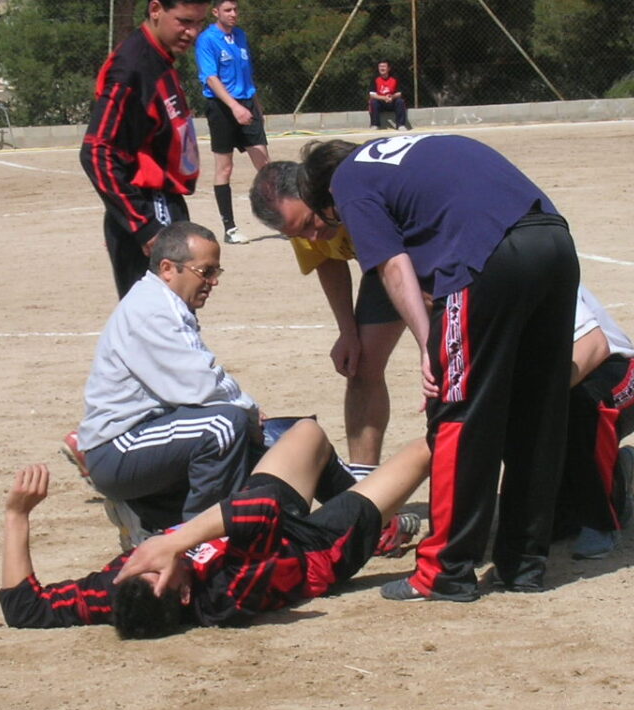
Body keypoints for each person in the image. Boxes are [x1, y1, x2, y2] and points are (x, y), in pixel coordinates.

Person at [298, 135, 580, 602]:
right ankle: (525, 564)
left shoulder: (348, 179)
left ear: (328, 194)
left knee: (457, 412)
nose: (331, 226)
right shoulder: (411, 149)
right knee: (538, 411)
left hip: (489, 257)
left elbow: (391, 266)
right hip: (555, 243)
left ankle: (444, 569)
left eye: (326, 218)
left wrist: (430, 343)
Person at [0, 418, 430, 638]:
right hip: (313, 550)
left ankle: (384, 523)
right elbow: (260, 508)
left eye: (137, 563)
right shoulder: (223, 596)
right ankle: (378, 529)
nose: (146, 554)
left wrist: (17, 515)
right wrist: (180, 540)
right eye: (157, 565)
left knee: (307, 432)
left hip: (251, 524)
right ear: (184, 592)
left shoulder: (121, 589)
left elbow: (24, 608)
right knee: (426, 450)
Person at [62, 221, 262, 551]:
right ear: (168, 268)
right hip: (118, 448)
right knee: (225, 425)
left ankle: (150, 517)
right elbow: (201, 385)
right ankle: (195, 547)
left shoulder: (164, 302)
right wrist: (251, 412)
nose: (213, 282)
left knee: (254, 437)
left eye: (217, 272)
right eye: (206, 271)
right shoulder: (155, 309)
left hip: (142, 436)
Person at [249, 161, 405, 480]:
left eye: (309, 222)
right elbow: (326, 260)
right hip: (383, 269)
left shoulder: (353, 196)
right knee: (361, 365)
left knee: (449, 367)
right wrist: (348, 332)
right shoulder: (299, 217)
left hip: (425, 254)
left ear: (315, 191)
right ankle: (363, 481)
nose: (312, 236)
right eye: (298, 233)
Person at [80, 0, 209, 299]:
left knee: (176, 317)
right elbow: (97, 151)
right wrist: (142, 225)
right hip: (149, 206)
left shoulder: (158, 58)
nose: (192, 32)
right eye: (184, 22)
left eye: (198, 23)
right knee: (159, 319)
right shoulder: (132, 67)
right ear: (155, 10)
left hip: (165, 202)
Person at [557, 285, 634, 559]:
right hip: (560, 380)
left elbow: (595, 346)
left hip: (616, 372)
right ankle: (617, 481)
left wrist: (544, 401)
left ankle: (600, 520)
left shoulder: (537, 265)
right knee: (557, 527)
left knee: (582, 405)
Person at [195, 0, 270, 245]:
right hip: (222, 108)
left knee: (265, 164)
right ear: (215, 12)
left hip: (246, 103)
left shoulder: (241, 36)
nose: (233, 14)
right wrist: (234, 106)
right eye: (228, 10)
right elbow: (211, 78)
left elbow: (247, 72)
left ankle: (283, 219)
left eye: (236, 9)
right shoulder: (207, 39)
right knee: (224, 168)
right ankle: (230, 228)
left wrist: (255, 102)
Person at [368, 61, 411, 131]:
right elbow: (372, 95)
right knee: (373, 102)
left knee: (400, 101)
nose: (382, 68)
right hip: (380, 102)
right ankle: (375, 125)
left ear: (388, 68)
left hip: (392, 101)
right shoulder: (375, 78)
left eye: (384, 66)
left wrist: (392, 97)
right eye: (380, 67)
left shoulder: (395, 78)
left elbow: (399, 93)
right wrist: (384, 98)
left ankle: (401, 125)